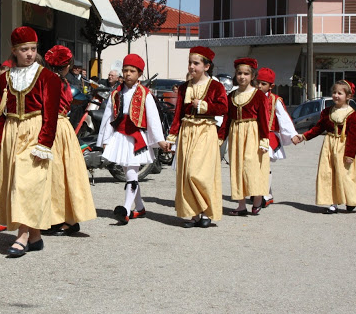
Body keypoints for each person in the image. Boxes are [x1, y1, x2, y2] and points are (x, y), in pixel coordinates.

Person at [0, 26, 61, 257]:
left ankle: (22, 236)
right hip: (11, 132)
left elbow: (51, 114)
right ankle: (36, 236)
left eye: (33, 49)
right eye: (24, 49)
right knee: (15, 183)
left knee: (29, 184)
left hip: (34, 131)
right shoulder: (3, 79)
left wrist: (44, 142)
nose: (30, 53)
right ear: (14, 51)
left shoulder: (47, 77)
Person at [97, 54, 167, 225]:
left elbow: (153, 118)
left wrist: (160, 140)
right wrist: (105, 139)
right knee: (128, 172)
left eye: (132, 71)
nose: (128, 74)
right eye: (126, 70)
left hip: (136, 138)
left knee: (130, 172)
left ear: (139, 74)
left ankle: (126, 210)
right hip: (120, 136)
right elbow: (109, 116)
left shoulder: (145, 94)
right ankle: (140, 207)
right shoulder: (116, 93)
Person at [167, 47, 227, 228]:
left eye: (196, 63)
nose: (191, 66)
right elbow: (178, 113)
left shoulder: (216, 86)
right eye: (190, 63)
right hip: (187, 131)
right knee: (186, 173)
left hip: (205, 130)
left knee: (199, 173)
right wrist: (172, 136)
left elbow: (223, 108)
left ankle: (206, 210)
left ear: (207, 66)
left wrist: (203, 105)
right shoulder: (185, 87)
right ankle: (192, 214)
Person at [43, 45, 97, 235]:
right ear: (67, 66)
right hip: (62, 127)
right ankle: (62, 217)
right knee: (66, 174)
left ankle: (62, 219)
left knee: (55, 174)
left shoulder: (51, 82)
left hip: (52, 127)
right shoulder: (64, 83)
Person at [295, 80, 356, 214]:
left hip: (343, 147)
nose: (336, 96)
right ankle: (332, 203)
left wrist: (350, 154)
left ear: (348, 96)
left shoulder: (353, 116)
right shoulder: (327, 112)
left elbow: (354, 137)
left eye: (340, 93)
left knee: (345, 175)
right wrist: (304, 136)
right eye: (334, 92)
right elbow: (318, 128)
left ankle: (351, 199)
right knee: (329, 174)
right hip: (329, 146)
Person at [218, 58, 270, 216]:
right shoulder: (232, 95)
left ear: (252, 76)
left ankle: (257, 200)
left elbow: (264, 120)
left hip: (253, 133)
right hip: (236, 133)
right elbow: (226, 118)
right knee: (237, 168)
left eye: (246, 74)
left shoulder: (259, 96)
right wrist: (220, 137)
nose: (242, 77)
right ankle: (241, 204)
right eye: (239, 73)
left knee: (253, 167)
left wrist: (264, 140)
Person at [256, 68, 300, 207]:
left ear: (271, 86)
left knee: (265, 163)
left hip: (269, 136)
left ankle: (265, 194)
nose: (259, 86)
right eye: (257, 83)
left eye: (263, 84)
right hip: (254, 135)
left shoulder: (275, 100)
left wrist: (292, 134)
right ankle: (260, 191)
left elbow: (284, 118)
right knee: (256, 165)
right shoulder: (251, 96)